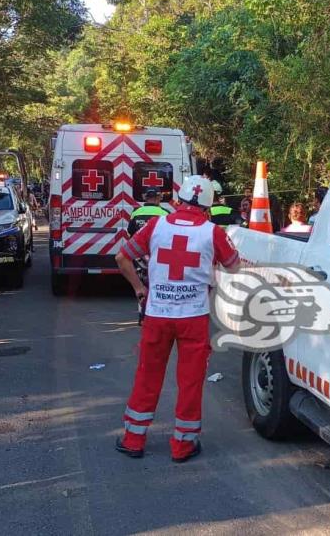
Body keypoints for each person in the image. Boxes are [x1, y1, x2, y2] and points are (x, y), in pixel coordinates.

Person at [114, 175, 241, 463]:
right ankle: (182, 445)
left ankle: (134, 440)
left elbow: (122, 258)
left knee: (147, 375)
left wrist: (139, 289)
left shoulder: (156, 225)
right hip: (193, 318)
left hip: (157, 314)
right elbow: (233, 267)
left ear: (178, 201)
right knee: (190, 380)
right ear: (208, 206)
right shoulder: (212, 232)